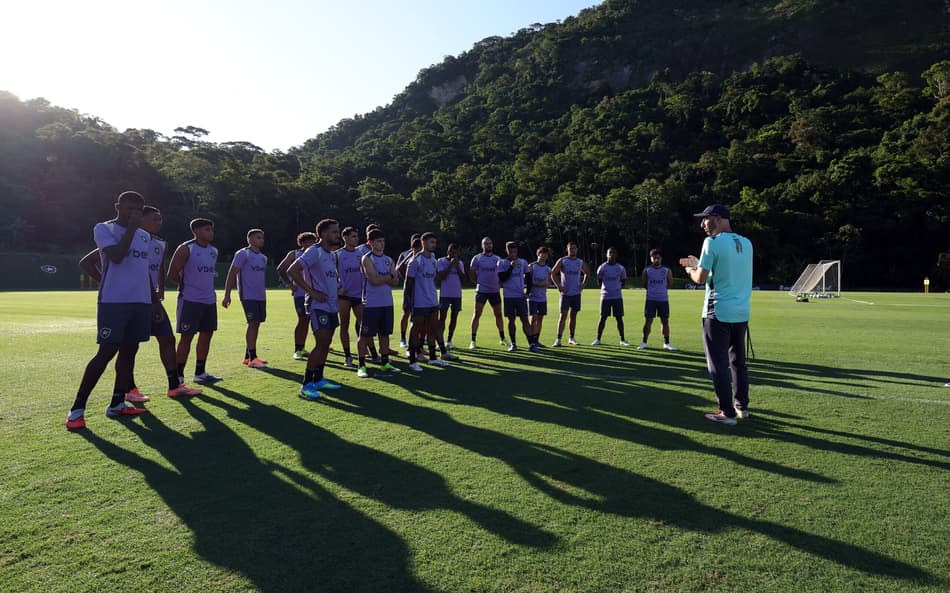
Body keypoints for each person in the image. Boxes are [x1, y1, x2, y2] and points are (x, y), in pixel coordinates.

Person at [78, 206, 202, 402]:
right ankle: (129, 389)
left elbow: (158, 268)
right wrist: (106, 281)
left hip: (150, 300)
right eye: (154, 219)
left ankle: (174, 385)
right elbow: (88, 262)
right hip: (127, 300)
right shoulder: (123, 238)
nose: (159, 223)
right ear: (140, 219)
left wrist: (159, 291)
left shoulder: (159, 243)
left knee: (167, 338)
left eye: (160, 219)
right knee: (127, 347)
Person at [66, 191, 154, 430]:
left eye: (138, 210)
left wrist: (154, 300)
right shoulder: (104, 229)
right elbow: (116, 257)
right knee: (106, 352)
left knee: (130, 351)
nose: (134, 213)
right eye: (129, 208)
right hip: (114, 302)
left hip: (140, 302)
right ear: (118, 207)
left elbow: (143, 269)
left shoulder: (145, 236)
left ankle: (117, 403)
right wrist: (132, 229)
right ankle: (76, 410)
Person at [682, 204, 753, 426]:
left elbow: (700, 279)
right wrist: (701, 265)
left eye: (705, 219)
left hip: (718, 311)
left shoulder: (711, 242)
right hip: (741, 312)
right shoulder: (746, 242)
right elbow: (727, 271)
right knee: (738, 362)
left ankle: (726, 412)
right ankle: (742, 407)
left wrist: (691, 269)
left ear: (718, 218)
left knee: (718, 364)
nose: (702, 224)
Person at [287, 218, 344, 399]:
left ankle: (319, 379)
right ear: (324, 234)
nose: (337, 235)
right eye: (334, 232)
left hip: (332, 304)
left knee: (326, 342)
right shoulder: (314, 251)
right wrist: (311, 292)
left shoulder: (332, 255)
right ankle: (306, 385)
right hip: (318, 305)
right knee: (322, 341)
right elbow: (292, 270)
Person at [167, 218, 222, 385]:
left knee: (206, 335)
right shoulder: (186, 248)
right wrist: (188, 286)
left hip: (209, 300)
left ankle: (200, 373)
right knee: (187, 337)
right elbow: (172, 274)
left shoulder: (213, 251)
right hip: (190, 300)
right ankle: (179, 375)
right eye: (207, 229)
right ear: (196, 231)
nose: (211, 233)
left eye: (212, 229)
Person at [356, 229, 402, 378]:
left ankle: (385, 362)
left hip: (387, 302)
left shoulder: (389, 259)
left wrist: (387, 277)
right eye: (378, 241)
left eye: (383, 241)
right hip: (371, 303)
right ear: (370, 243)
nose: (381, 244)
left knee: (385, 334)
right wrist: (389, 276)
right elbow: (373, 280)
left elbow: (396, 281)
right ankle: (361, 365)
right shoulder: (367, 258)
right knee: (365, 335)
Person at [405, 232, 454, 371]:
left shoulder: (433, 259)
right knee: (416, 329)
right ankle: (412, 360)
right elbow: (408, 283)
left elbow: (433, 278)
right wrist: (408, 301)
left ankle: (433, 358)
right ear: (423, 242)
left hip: (432, 300)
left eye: (435, 242)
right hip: (419, 301)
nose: (434, 245)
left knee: (434, 328)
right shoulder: (415, 261)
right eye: (431, 242)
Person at [223, 229, 269, 369]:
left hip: (260, 296)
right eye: (258, 237)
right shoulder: (243, 254)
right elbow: (232, 273)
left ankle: (248, 356)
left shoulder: (263, 258)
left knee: (257, 323)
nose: (261, 240)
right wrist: (227, 294)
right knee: (253, 323)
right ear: (249, 239)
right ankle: (253, 358)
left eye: (262, 237)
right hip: (248, 295)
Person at [276, 232, 317, 360]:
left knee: (313, 320)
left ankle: (311, 346)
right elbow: (281, 269)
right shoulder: (294, 254)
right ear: (302, 243)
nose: (312, 244)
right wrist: (290, 284)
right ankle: (298, 349)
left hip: (315, 293)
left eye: (313, 242)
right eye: (309, 242)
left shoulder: (317, 254)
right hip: (300, 293)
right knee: (303, 319)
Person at [468, 237, 506, 349]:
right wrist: (479, 282)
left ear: (492, 245)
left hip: (495, 291)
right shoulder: (477, 258)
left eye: (490, 243)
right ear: (482, 245)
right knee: (476, 314)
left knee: (498, 315)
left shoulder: (498, 259)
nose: (488, 245)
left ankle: (502, 338)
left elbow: (502, 274)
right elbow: (472, 273)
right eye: (486, 244)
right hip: (481, 291)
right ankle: (473, 341)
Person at [336, 226, 365, 368]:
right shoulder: (337, 255)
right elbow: (330, 273)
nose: (356, 239)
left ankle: (369, 352)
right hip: (344, 296)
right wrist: (338, 287)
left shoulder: (361, 254)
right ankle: (348, 356)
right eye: (353, 236)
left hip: (359, 295)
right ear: (345, 238)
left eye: (357, 236)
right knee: (344, 325)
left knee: (364, 325)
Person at [550, 241, 590, 346]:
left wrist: (583, 284)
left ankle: (571, 338)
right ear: (567, 250)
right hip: (565, 294)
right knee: (563, 316)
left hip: (576, 294)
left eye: (574, 248)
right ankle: (558, 339)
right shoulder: (563, 261)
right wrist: (559, 286)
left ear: (577, 250)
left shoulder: (580, 262)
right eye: (570, 248)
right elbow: (553, 273)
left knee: (573, 316)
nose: (572, 250)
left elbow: (587, 273)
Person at [497, 241, 533, 352]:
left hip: (520, 296)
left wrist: (528, 292)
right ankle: (513, 344)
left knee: (525, 319)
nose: (513, 254)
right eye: (511, 252)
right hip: (509, 296)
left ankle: (531, 344)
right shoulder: (502, 263)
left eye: (515, 251)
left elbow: (529, 277)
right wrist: (511, 267)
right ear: (507, 251)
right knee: (511, 320)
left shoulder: (523, 262)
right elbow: (502, 278)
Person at [639, 248, 676, 351]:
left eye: (658, 258)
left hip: (663, 300)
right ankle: (644, 342)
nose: (656, 260)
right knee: (648, 321)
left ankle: (667, 343)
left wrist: (661, 290)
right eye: (654, 258)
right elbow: (644, 284)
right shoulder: (647, 270)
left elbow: (670, 283)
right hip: (650, 299)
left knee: (665, 321)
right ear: (651, 258)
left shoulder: (667, 270)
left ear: (661, 258)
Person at [592, 247, 630, 346]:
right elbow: (599, 281)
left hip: (617, 297)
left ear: (616, 255)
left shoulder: (620, 268)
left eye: (614, 253)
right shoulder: (602, 267)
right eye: (610, 253)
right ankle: (598, 339)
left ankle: (622, 339)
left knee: (619, 318)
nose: (612, 255)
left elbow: (623, 281)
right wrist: (606, 289)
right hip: (605, 297)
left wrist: (617, 288)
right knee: (603, 318)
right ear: (606, 254)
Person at [436, 243, 465, 349]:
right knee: (442, 318)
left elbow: (463, 278)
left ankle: (449, 340)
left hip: (456, 294)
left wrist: (457, 267)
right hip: (445, 294)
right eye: (452, 251)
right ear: (448, 252)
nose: (454, 254)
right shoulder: (441, 261)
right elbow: (441, 276)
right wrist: (451, 265)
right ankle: (440, 342)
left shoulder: (460, 263)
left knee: (454, 317)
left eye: (456, 252)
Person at [395, 234, 421, 349]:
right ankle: (403, 338)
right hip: (409, 288)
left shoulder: (424, 255)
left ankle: (418, 338)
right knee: (406, 313)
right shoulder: (404, 254)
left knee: (420, 316)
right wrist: (409, 256)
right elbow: (398, 270)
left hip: (420, 289)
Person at [527, 247, 552, 351]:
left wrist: (546, 284)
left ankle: (537, 340)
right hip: (532, 297)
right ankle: (532, 340)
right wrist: (539, 284)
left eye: (546, 254)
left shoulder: (548, 269)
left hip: (542, 298)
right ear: (538, 254)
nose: (544, 256)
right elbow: (528, 281)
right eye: (542, 253)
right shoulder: (532, 266)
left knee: (540, 319)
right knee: (533, 318)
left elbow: (549, 282)